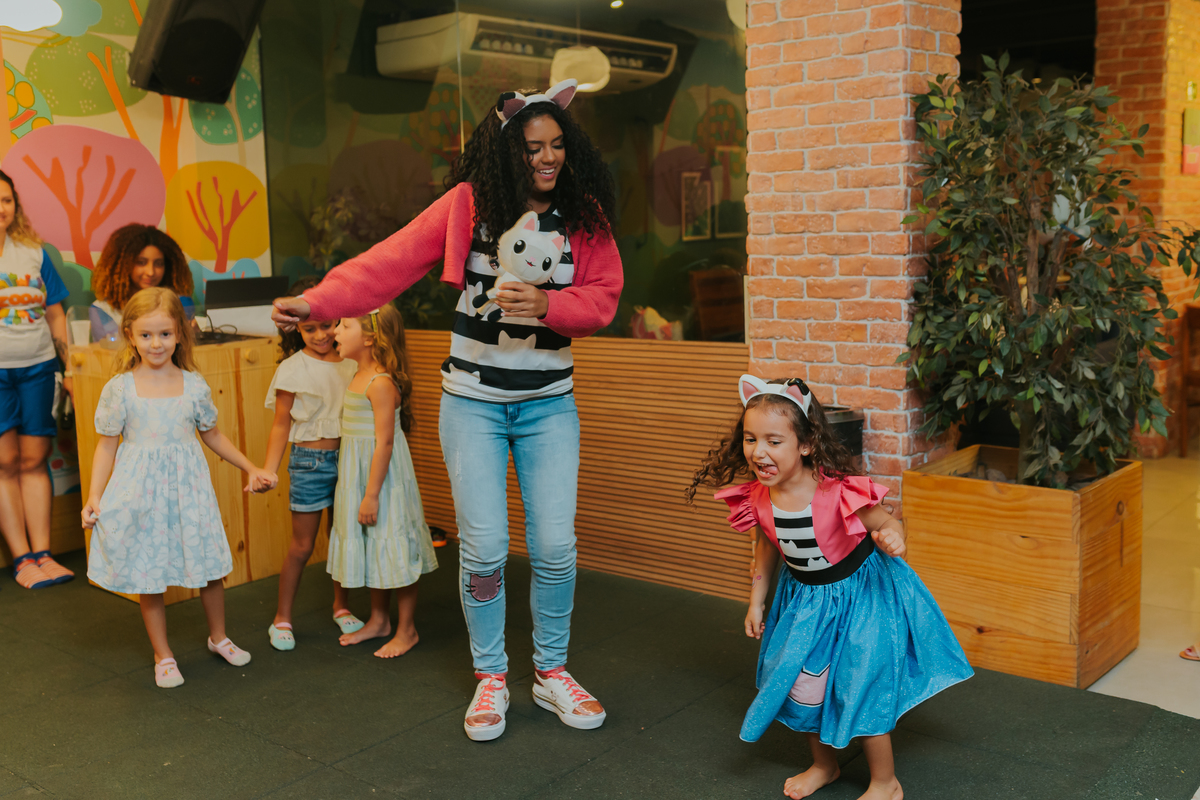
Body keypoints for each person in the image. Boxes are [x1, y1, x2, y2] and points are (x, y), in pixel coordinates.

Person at [272, 79, 622, 741]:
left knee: (555, 547)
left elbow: (603, 297)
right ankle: (491, 677)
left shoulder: (586, 218)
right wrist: (318, 302)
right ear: (503, 150)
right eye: (532, 148)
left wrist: (550, 306)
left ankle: (551, 673)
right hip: (475, 408)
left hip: (549, 407)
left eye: (557, 147)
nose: (547, 159)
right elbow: (386, 264)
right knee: (485, 549)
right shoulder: (468, 206)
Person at [688, 375, 973, 800]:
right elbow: (766, 548)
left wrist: (893, 535)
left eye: (773, 440)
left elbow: (886, 521)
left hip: (861, 598)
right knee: (805, 686)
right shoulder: (759, 498)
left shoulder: (838, 492)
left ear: (805, 445)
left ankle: (885, 782)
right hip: (805, 604)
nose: (758, 451)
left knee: (861, 683)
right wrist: (755, 603)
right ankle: (825, 765)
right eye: (750, 439)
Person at [81, 288, 277, 688]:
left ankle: (218, 637)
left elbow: (213, 435)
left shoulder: (193, 384)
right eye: (147, 335)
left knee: (208, 566)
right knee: (147, 574)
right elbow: (106, 445)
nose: (157, 344)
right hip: (140, 493)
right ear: (131, 335)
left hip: (189, 491)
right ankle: (163, 654)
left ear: (180, 334)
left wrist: (251, 466)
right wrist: (94, 495)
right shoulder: (120, 388)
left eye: (165, 334)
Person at [325, 305, 437, 659]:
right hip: (358, 478)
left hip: (382, 482)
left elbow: (385, 442)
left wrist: (371, 494)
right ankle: (379, 621)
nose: (335, 332)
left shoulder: (381, 383)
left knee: (395, 546)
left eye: (343, 326)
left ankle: (407, 629)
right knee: (375, 546)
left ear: (370, 337)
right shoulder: (355, 375)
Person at [262, 276, 361, 650]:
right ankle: (282, 618)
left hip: (349, 459)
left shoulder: (351, 361)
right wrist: (269, 469)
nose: (320, 334)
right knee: (302, 546)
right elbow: (280, 424)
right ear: (296, 329)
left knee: (342, 539)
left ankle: (341, 607)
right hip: (308, 463)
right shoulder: (292, 369)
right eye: (309, 328)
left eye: (327, 324)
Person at [0, 169, 75, 589]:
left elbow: (55, 313)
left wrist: (64, 368)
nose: (1, 208)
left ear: (15, 205)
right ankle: (22, 558)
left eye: (6, 199)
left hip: (38, 368)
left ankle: (44, 553)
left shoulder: (34, 252)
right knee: (4, 464)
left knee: (33, 461)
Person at [89, 223, 194, 341]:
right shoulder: (103, 310)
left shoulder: (179, 301)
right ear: (123, 265)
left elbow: (185, 348)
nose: (150, 272)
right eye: (141, 262)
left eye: (158, 264)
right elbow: (109, 352)